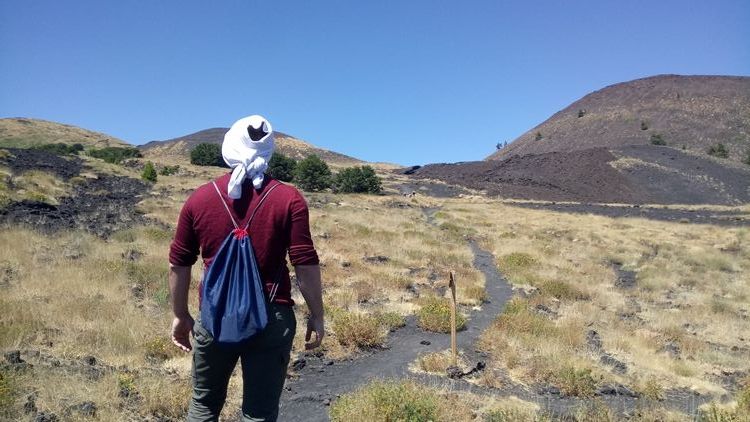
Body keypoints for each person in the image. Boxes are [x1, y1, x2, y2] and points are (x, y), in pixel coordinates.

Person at [168, 115, 324, 421]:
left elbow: (179, 262)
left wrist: (180, 315)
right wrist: (317, 314)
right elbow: (305, 263)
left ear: (231, 145)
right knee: (259, 413)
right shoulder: (288, 199)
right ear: (268, 149)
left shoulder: (200, 198)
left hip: (215, 316)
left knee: (203, 406)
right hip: (272, 316)